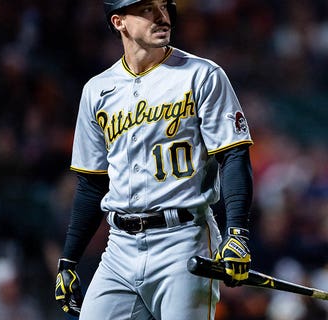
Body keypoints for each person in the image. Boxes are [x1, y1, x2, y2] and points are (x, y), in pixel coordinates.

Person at [53, 1, 254, 319]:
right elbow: (93, 182)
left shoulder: (202, 75)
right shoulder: (97, 90)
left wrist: (237, 235)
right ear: (119, 22)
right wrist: (69, 260)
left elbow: (234, 155)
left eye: (163, 6)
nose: (162, 17)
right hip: (118, 247)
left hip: (184, 240)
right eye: (146, 9)